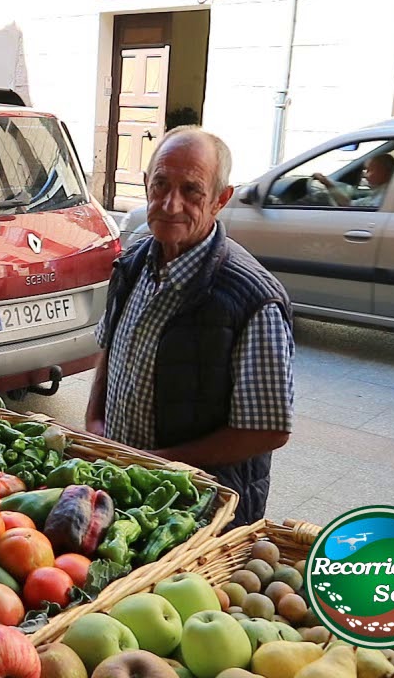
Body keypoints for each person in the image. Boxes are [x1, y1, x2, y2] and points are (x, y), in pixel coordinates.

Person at [85, 126, 294, 528]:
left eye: (192, 190)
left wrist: (161, 463)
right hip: (130, 486)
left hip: (200, 506)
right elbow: (109, 349)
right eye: (160, 184)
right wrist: (96, 426)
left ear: (221, 200)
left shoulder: (252, 298)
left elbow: (268, 430)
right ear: (146, 185)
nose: (170, 203)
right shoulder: (134, 262)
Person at [311, 153, 394, 208]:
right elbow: (349, 204)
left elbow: (348, 205)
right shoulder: (380, 193)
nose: (365, 175)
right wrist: (327, 183)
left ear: (384, 171)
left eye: (370, 170)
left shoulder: (384, 197)